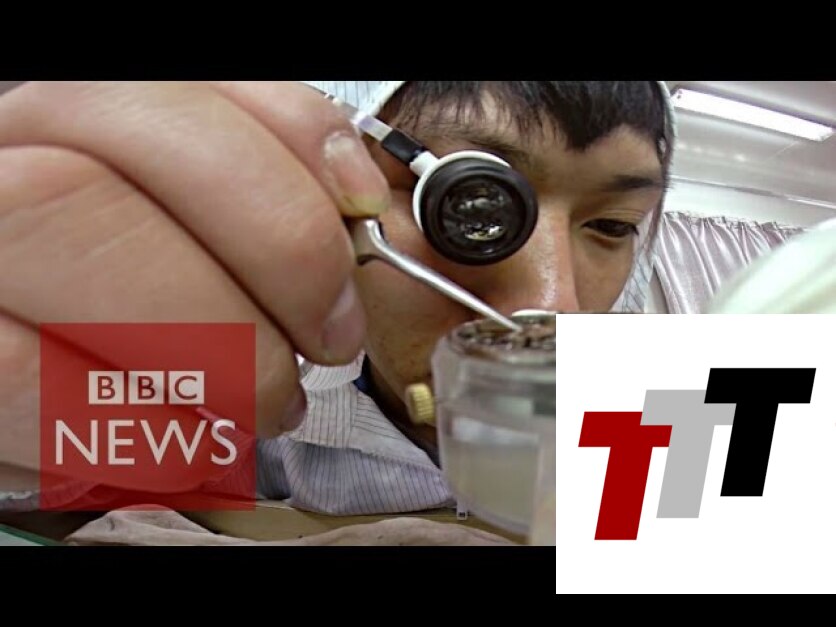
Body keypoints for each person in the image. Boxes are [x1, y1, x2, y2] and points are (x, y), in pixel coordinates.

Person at [0, 81, 675, 516]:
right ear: (339, 200)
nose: (553, 306)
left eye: (612, 226)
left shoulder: (684, 420)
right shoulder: (248, 421)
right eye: (475, 208)